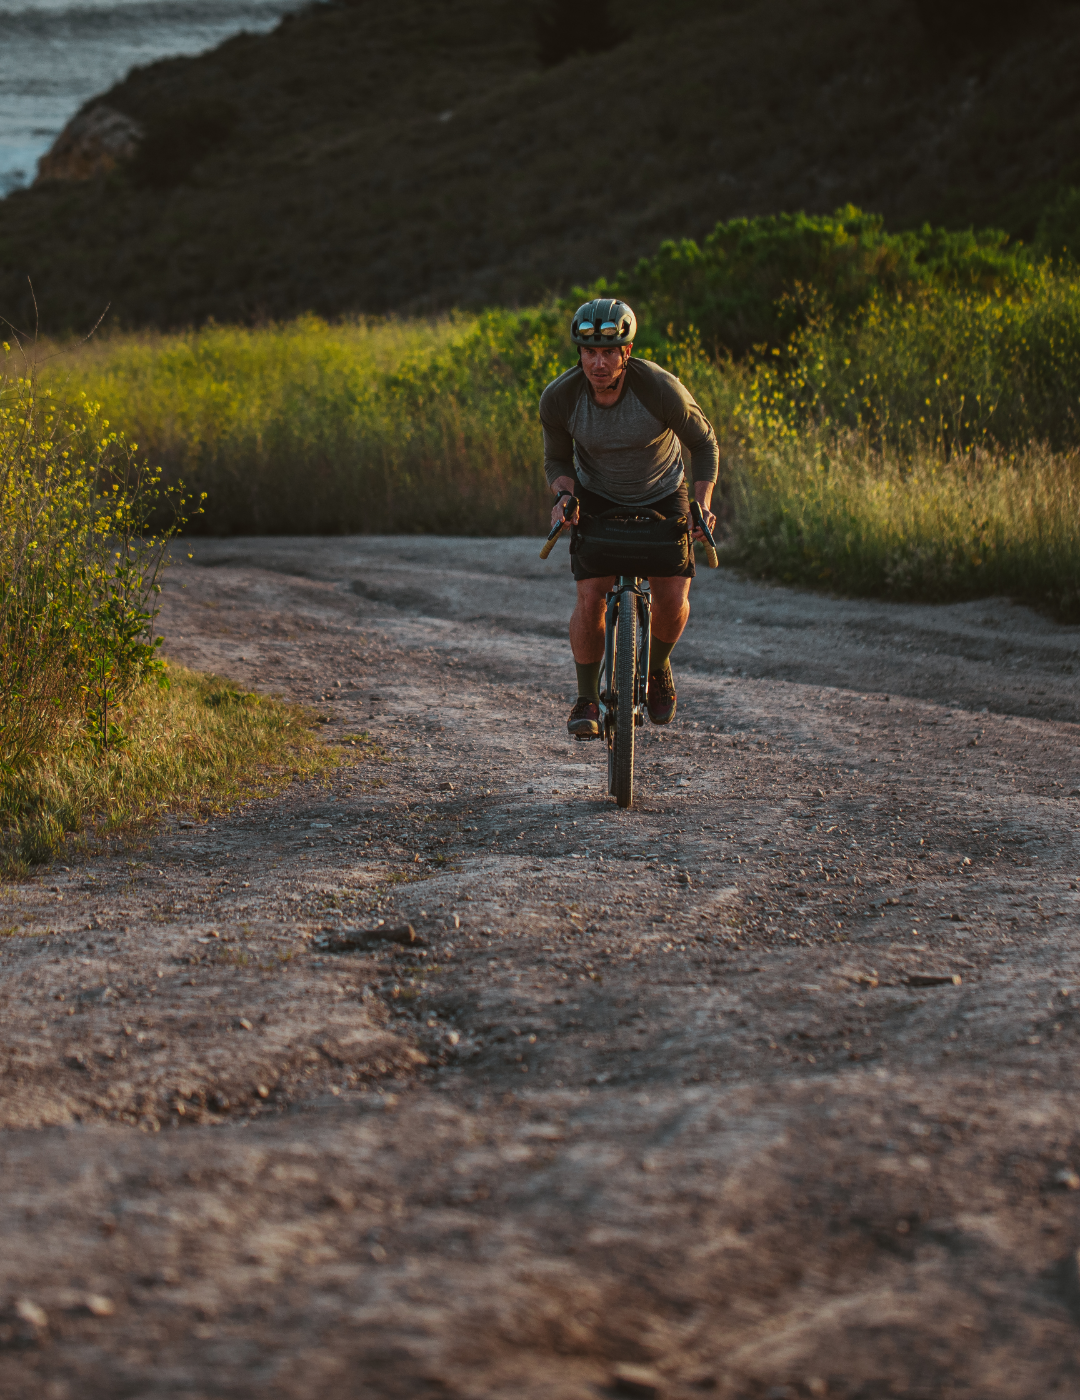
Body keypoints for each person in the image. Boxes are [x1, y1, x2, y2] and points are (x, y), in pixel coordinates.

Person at [539, 296, 719, 738]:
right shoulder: (560, 397)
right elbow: (557, 460)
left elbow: (704, 444)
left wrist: (701, 503)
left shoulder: (659, 388)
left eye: (608, 352)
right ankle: (586, 698)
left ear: (626, 353)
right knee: (590, 595)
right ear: (579, 353)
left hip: (663, 491)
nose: (598, 363)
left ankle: (657, 668)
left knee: (673, 596)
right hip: (597, 493)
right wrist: (564, 496)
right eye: (589, 352)